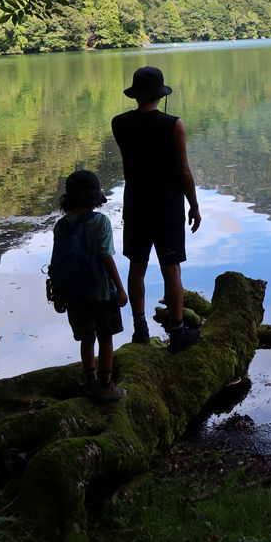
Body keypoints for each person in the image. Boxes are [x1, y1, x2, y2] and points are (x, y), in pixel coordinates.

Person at [111, 66, 203, 352]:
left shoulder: (119, 123)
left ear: (136, 94)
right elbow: (184, 171)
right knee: (171, 270)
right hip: (168, 206)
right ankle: (177, 333)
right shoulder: (174, 124)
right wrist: (194, 205)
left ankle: (140, 331)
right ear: (161, 94)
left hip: (136, 205)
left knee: (136, 268)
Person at [53, 169, 129, 401]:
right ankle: (105, 386)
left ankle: (90, 382)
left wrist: (58, 294)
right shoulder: (101, 222)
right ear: (94, 197)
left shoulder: (61, 226)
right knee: (106, 337)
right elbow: (106, 257)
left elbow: (56, 262)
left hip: (76, 293)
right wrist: (120, 288)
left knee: (88, 337)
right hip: (102, 292)